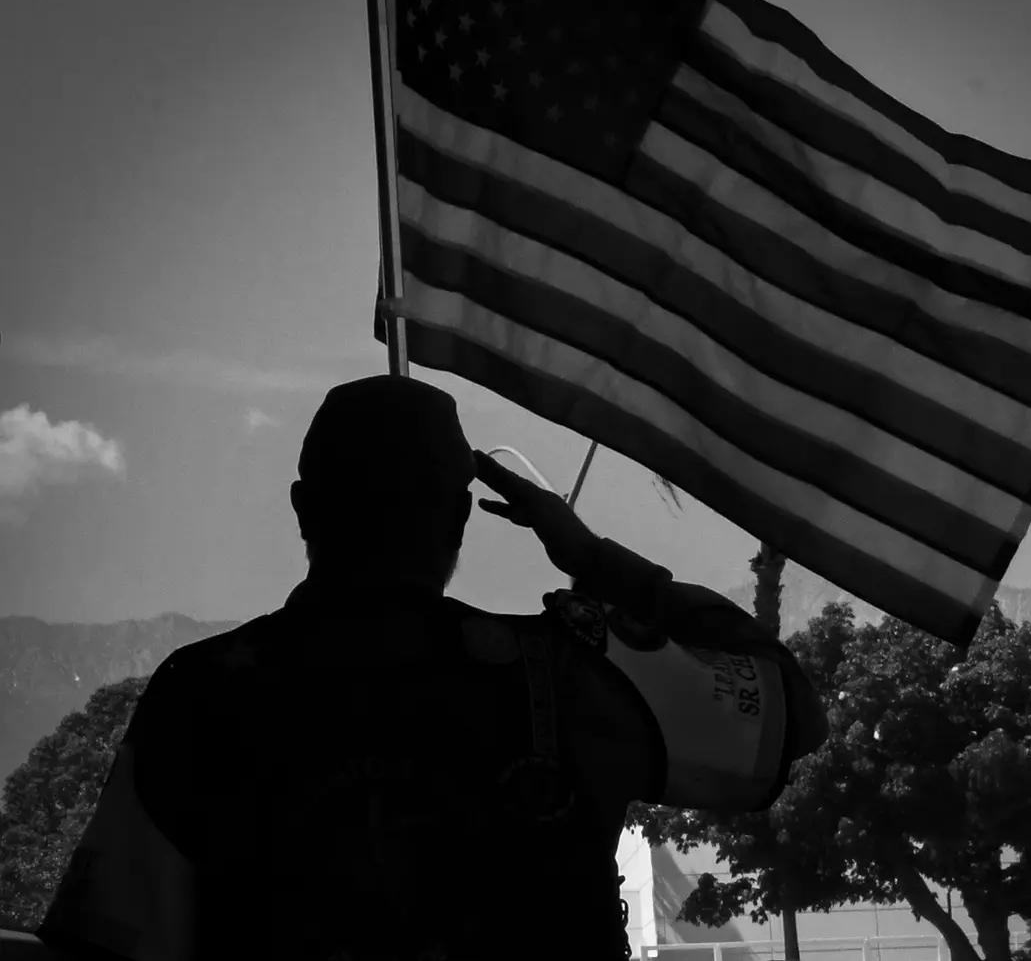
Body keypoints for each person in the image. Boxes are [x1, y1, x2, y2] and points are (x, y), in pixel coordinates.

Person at [37, 374, 829, 961]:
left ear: (303, 509)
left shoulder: (201, 695)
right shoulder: (573, 678)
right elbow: (790, 715)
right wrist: (592, 559)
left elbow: (105, 943)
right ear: (459, 518)